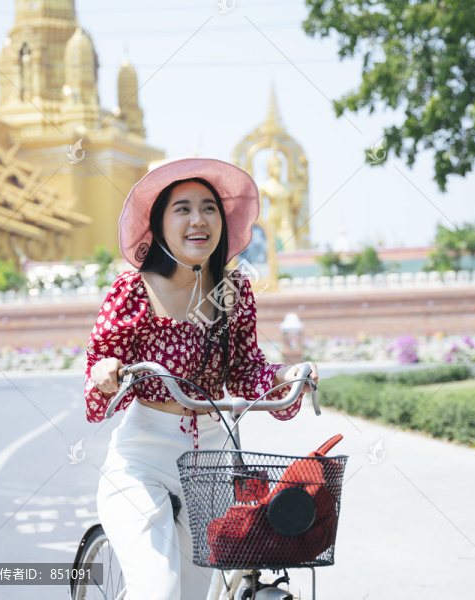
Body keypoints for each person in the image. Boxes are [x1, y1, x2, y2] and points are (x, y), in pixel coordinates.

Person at [84, 157, 319, 600]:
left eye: (209, 207)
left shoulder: (234, 293)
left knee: (195, 596)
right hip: (144, 457)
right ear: (160, 223)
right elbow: (102, 363)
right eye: (183, 208)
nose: (198, 220)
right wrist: (104, 373)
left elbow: (246, 369)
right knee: (157, 590)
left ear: (223, 220)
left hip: (213, 458)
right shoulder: (134, 291)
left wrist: (287, 375)